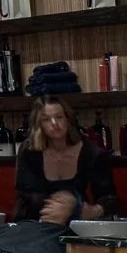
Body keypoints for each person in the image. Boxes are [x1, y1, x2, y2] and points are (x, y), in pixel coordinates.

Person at [14, 92, 116, 229]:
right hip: (33, 224)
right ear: (39, 125)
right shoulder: (29, 150)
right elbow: (26, 195)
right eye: (46, 119)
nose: (54, 124)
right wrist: (62, 205)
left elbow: (109, 198)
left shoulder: (91, 152)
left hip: (75, 224)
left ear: (68, 119)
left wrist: (92, 210)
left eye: (59, 117)